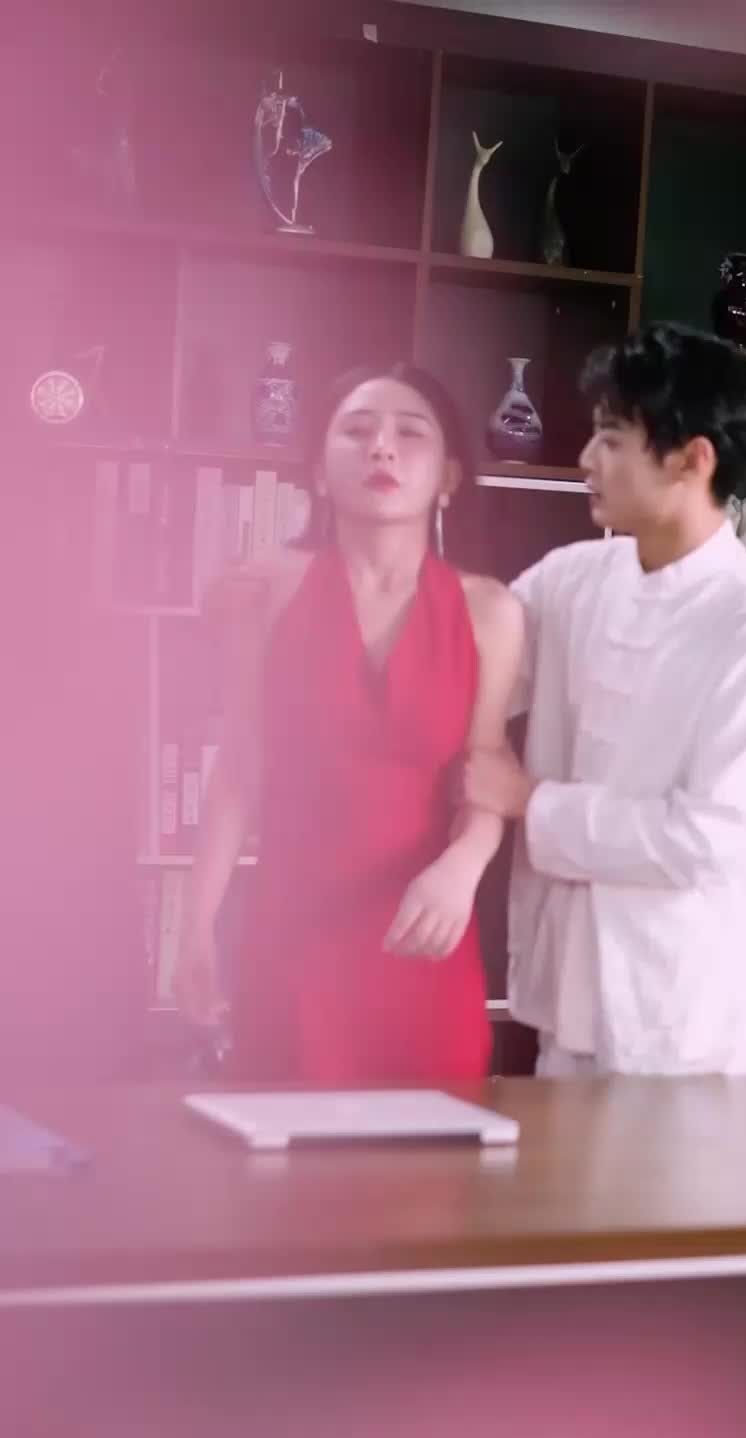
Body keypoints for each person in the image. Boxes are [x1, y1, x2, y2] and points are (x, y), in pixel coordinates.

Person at [465, 322, 746, 1077]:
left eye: (611, 439)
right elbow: (472, 670)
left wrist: (531, 801)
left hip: (689, 1015)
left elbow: (708, 838)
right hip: (570, 996)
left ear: (693, 459)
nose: (587, 460)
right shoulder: (571, 578)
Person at [175, 364, 523, 1083]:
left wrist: (462, 870)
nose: (382, 448)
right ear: (318, 473)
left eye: (410, 433)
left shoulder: (490, 611)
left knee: (432, 1152)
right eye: (357, 431)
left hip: (426, 941)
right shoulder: (263, 589)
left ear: (449, 477)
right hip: (292, 942)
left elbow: (486, 777)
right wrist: (195, 924)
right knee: (281, 1148)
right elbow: (239, 768)